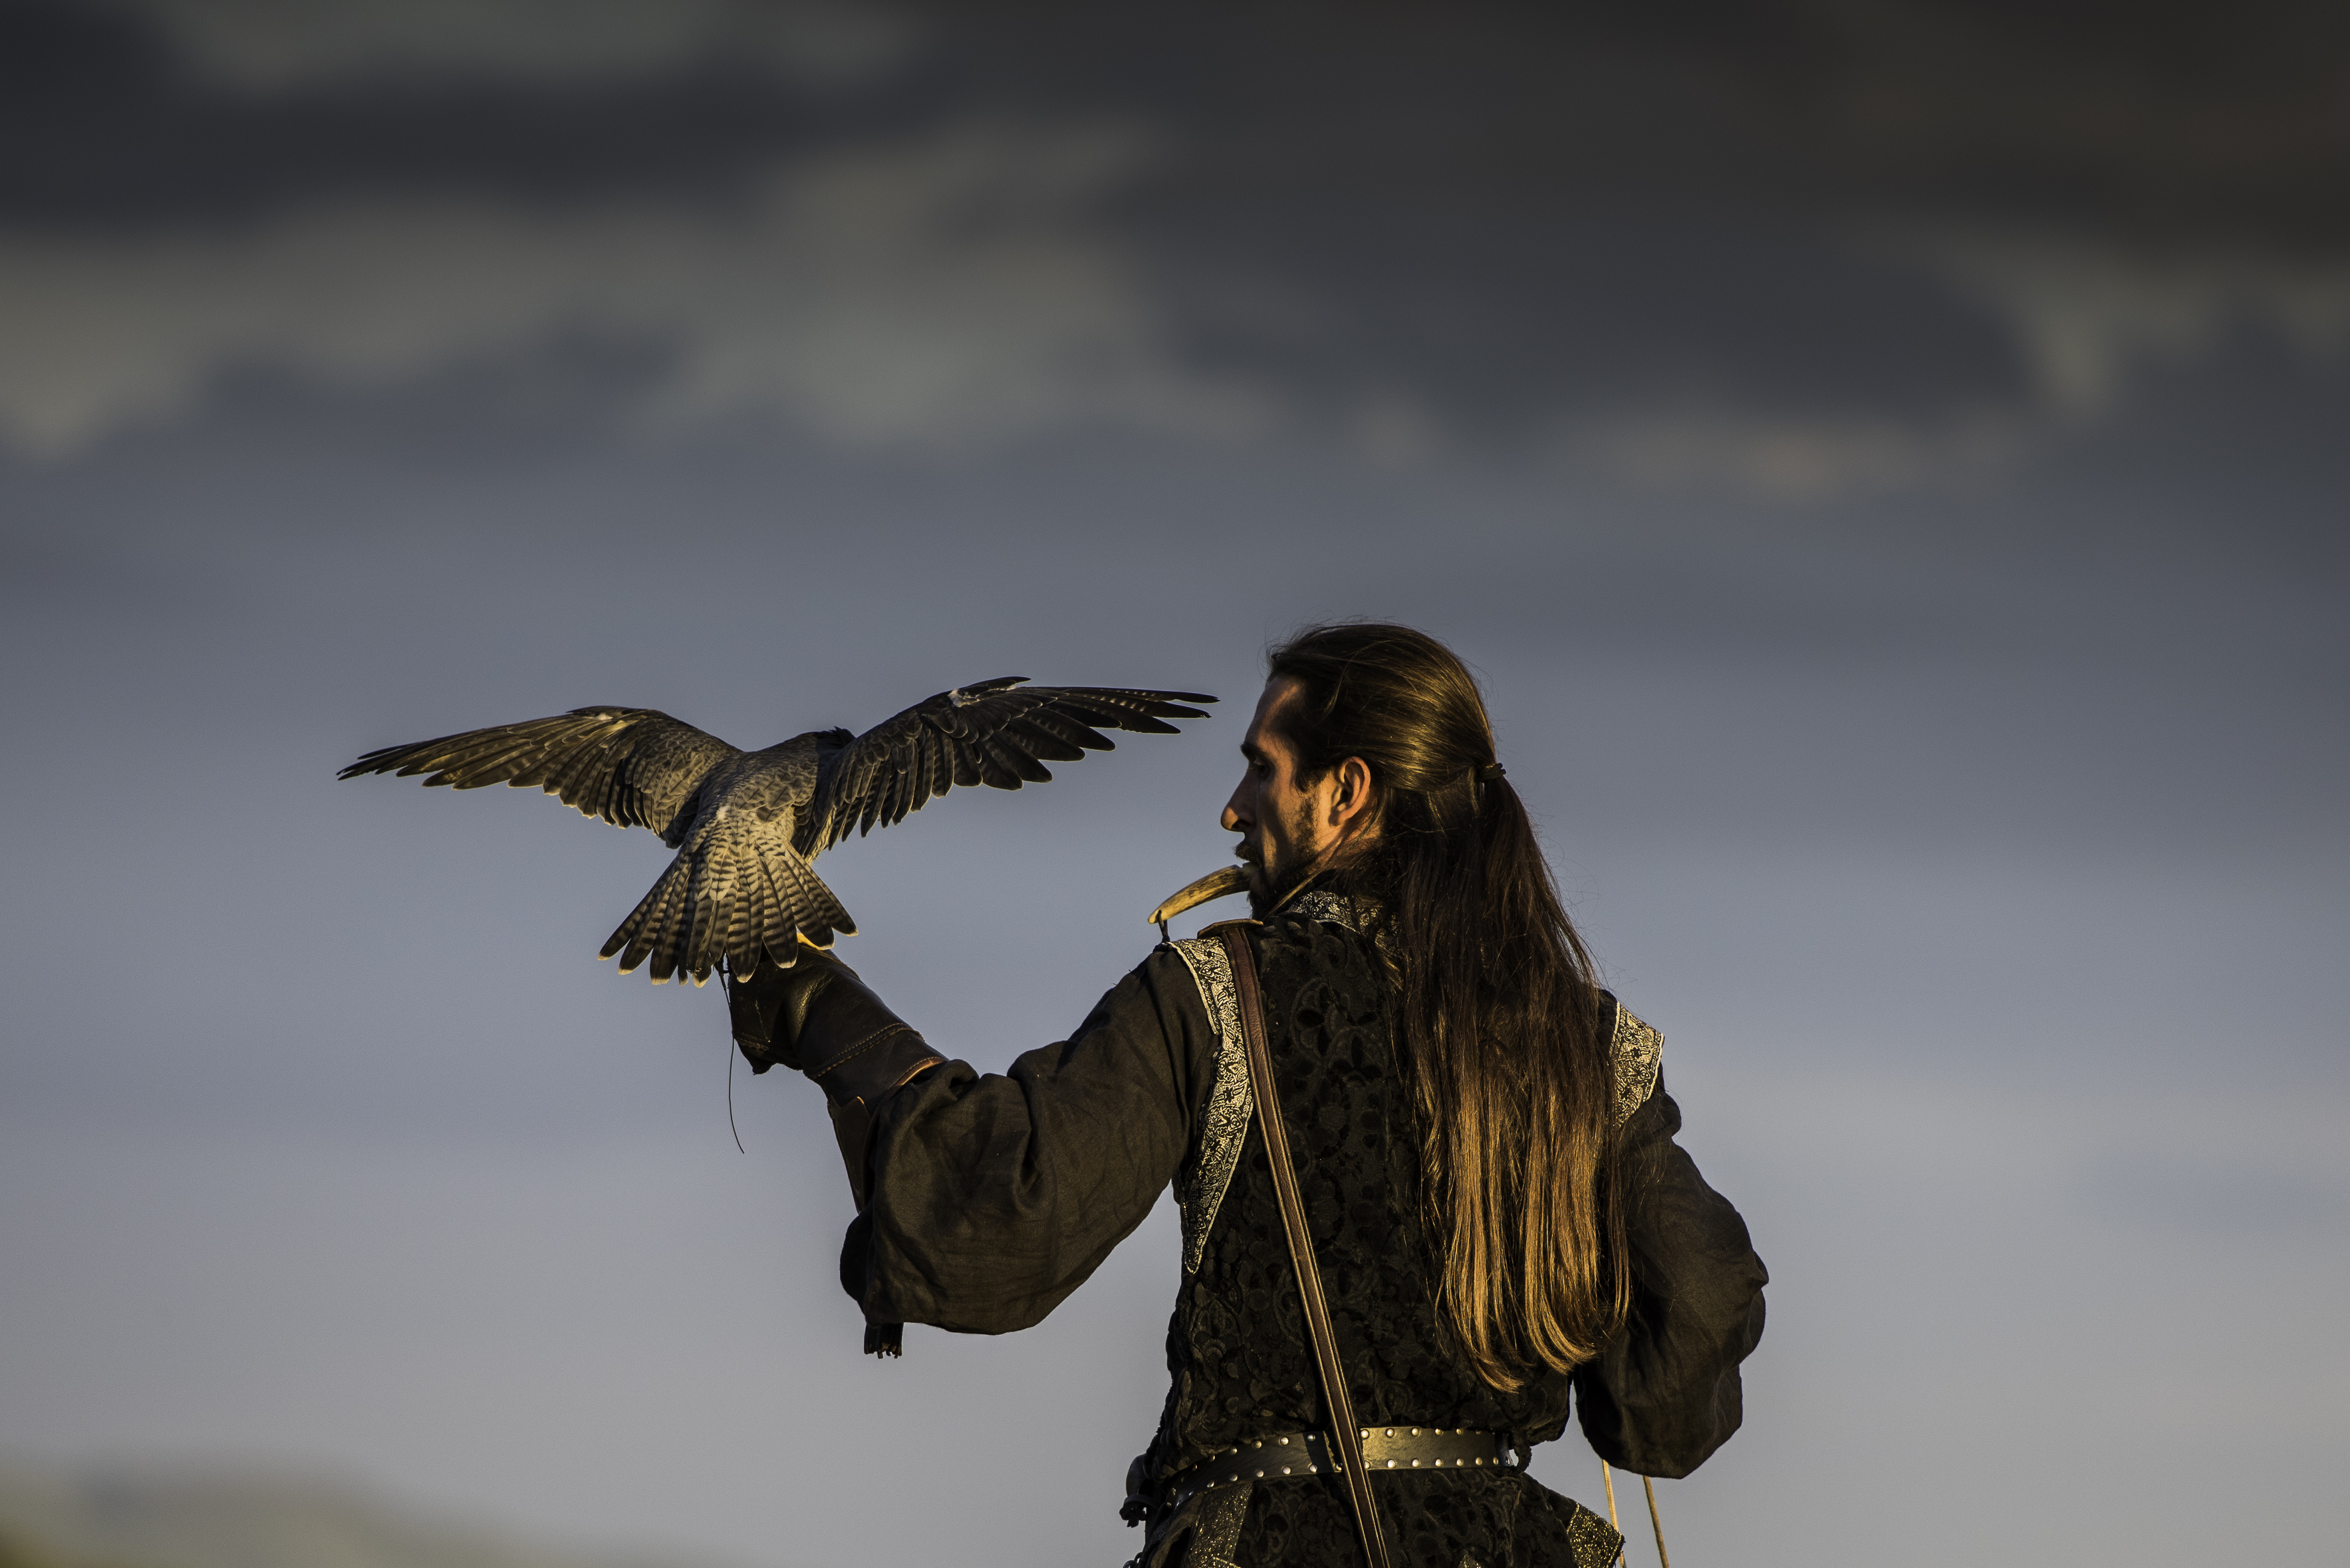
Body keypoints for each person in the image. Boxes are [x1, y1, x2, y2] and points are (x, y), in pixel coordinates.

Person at [725, 623, 1767, 1568]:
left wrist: (822, 1008)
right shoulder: (1578, 1040)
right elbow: (1701, 1313)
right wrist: (1626, 1404)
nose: (1231, 809)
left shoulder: (1214, 994)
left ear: (1346, 791)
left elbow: (998, 1226)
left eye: (1261, 771)